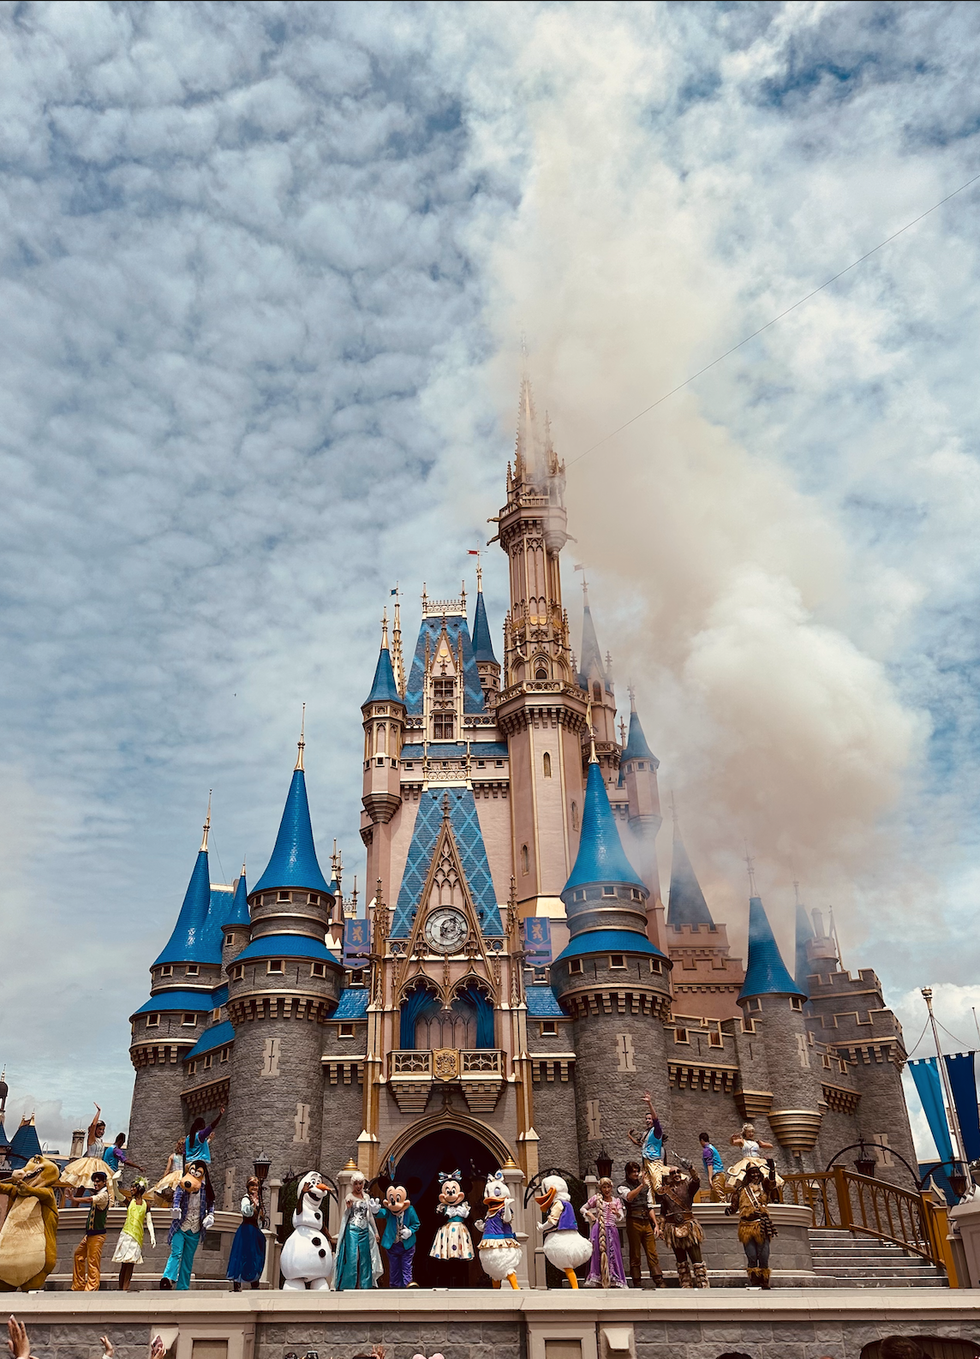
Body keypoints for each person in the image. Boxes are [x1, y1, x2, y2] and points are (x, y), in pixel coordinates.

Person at [160, 1160, 214, 1290]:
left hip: (195, 1229)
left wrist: (211, 1215)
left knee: (188, 1259)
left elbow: (210, 1203)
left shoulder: (205, 1189)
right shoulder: (183, 1185)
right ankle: (167, 1278)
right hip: (181, 1226)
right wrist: (176, 1207)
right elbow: (177, 1197)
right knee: (176, 1253)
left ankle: (182, 1286)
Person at [654, 1163, 709, 1289]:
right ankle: (686, 1283)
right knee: (681, 1260)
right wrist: (660, 1228)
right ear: (669, 1176)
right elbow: (663, 1213)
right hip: (673, 1228)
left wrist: (691, 1169)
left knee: (696, 1258)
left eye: (678, 1172)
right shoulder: (665, 1192)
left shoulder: (688, 1186)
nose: (676, 1175)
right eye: (673, 1173)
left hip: (689, 1226)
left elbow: (696, 1181)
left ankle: (702, 1283)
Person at [727, 1159, 779, 1290]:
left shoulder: (764, 1187)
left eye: (756, 1173)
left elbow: (772, 1183)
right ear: (748, 1175)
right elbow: (734, 1205)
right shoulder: (741, 1190)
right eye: (752, 1173)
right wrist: (729, 1210)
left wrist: (772, 1170)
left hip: (761, 1225)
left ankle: (764, 1280)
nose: (755, 1175)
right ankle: (754, 1281)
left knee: (764, 1255)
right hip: (746, 1227)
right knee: (751, 1255)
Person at [534, 1173, 592, 1289]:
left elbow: (552, 1221)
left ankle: (575, 1287)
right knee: (567, 1265)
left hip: (561, 1238)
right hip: (573, 1236)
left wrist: (542, 1227)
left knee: (566, 1264)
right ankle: (575, 1287)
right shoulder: (568, 1204)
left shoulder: (558, 1203)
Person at [617, 1161, 664, 1288]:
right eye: (633, 1172)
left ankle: (658, 1278)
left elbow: (649, 1206)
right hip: (633, 1220)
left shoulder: (646, 1188)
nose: (636, 1174)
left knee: (652, 1251)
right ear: (628, 1173)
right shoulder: (623, 1186)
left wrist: (656, 1225)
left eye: (637, 1171)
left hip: (645, 1220)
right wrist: (641, 1185)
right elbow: (629, 1197)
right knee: (635, 1253)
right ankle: (637, 1280)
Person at [334, 1171, 383, 1290]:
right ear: (352, 1184)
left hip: (364, 1230)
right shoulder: (349, 1197)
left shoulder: (366, 1197)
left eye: (360, 1183)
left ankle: (364, 1284)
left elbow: (369, 1216)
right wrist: (348, 1208)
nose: (358, 1186)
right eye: (356, 1184)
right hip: (352, 1230)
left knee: (365, 1257)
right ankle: (349, 1284)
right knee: (352, 1257)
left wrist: (376, 1232)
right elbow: (346, 1215)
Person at [581, 1177, 627, 1288]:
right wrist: (590, 1215)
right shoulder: (597, 1199)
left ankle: (613, 1277)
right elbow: (583, 1208)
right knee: (597, 1252)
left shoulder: (616, 1201)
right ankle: (598, 1277)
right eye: (604, 1187)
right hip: (599, 1229)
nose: (606, 1190)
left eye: (608, 1187)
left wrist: (616, 1213)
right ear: (601, 1188)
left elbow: (621, 1216)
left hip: (612, 1229)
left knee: (613, 1253)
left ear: (611, 1187)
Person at [111, 1177, 155, 1291]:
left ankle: (126, 1286)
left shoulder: (146, 1205)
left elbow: (149, 1221)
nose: (131, 1189)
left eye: (133, 1187)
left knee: (131, 1263)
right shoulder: (129, 1202)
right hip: (127, 1233)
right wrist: (114, 1182)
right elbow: (117, 1194)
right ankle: (121, 1287)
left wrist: (152, 1236)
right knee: (124, 1262)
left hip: (137, 1236)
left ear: (139, 1189)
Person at [70, 1169, 110, 1291]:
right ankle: (79, 1285)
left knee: (93, 1262)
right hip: (90, 1234)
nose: (96, 1184)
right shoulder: (98, 1193)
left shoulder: (103, 1195)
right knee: (78, 1255)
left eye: (98, 1182)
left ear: (104, 1182)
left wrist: (74, 1199)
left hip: (97, 1235)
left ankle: (92, 1288)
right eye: (94, 1182)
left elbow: (89, 1200)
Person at [227, 1176, 267, 1291]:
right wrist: (253, 1206)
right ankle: (237, 1282)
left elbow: (260, 1218)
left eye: (256, 1185)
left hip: (255, 1230)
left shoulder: (258, 1199)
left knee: (255, 1256)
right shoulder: (246, 1198)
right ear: (248, 1187)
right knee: (243, 1254)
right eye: (252, 1185)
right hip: (247, 1230)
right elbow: (245, 1211)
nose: (254, 1187)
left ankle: (254, 1281)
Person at [376, 1184, 420, 1288]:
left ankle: (407, 1286)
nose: (394, 1203)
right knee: (394, 1268)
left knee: (406, 1266)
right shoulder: (389, 1211)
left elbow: (416, 1223)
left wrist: (410, 1231)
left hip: (407, 1245)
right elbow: (382, 1213)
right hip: (393, 1245)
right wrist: (375, 1211)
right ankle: (394, 1287)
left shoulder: (410, 1210)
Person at [628, 1090, 667, 1191]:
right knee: (646, 1189)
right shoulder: (646, 1133)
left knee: (657, 1188)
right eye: (646, 1119)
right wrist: (629, 1136)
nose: (647, 1121)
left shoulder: (657, 1131)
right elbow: (640, 1144)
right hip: (646, 1163)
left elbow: (656, 1119)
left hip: (654, 1162)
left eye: (649, 1119)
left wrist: (649, 1103)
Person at [728, 1124, 783, 1189]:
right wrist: (732, 1137)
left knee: (766, 1173)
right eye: (749, 1132)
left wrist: (762, 1143)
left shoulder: (756, 1142)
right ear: (745, 1133)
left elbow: (771, 1146)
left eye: (752, 1132)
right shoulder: (742, 1141)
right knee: (741, 1175)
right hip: (747, 1161)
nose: (751, 1134)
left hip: (757, 1160)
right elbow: (733, 1142)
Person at [699, 1134, 728, 1202]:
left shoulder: (707, 1150)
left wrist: (710, 1178)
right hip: (720, 1174)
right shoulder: (712, 1147)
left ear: (702, 1140)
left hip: (716, 1175)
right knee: (713, 1199)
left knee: (719, 1198)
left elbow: (709, 1164)